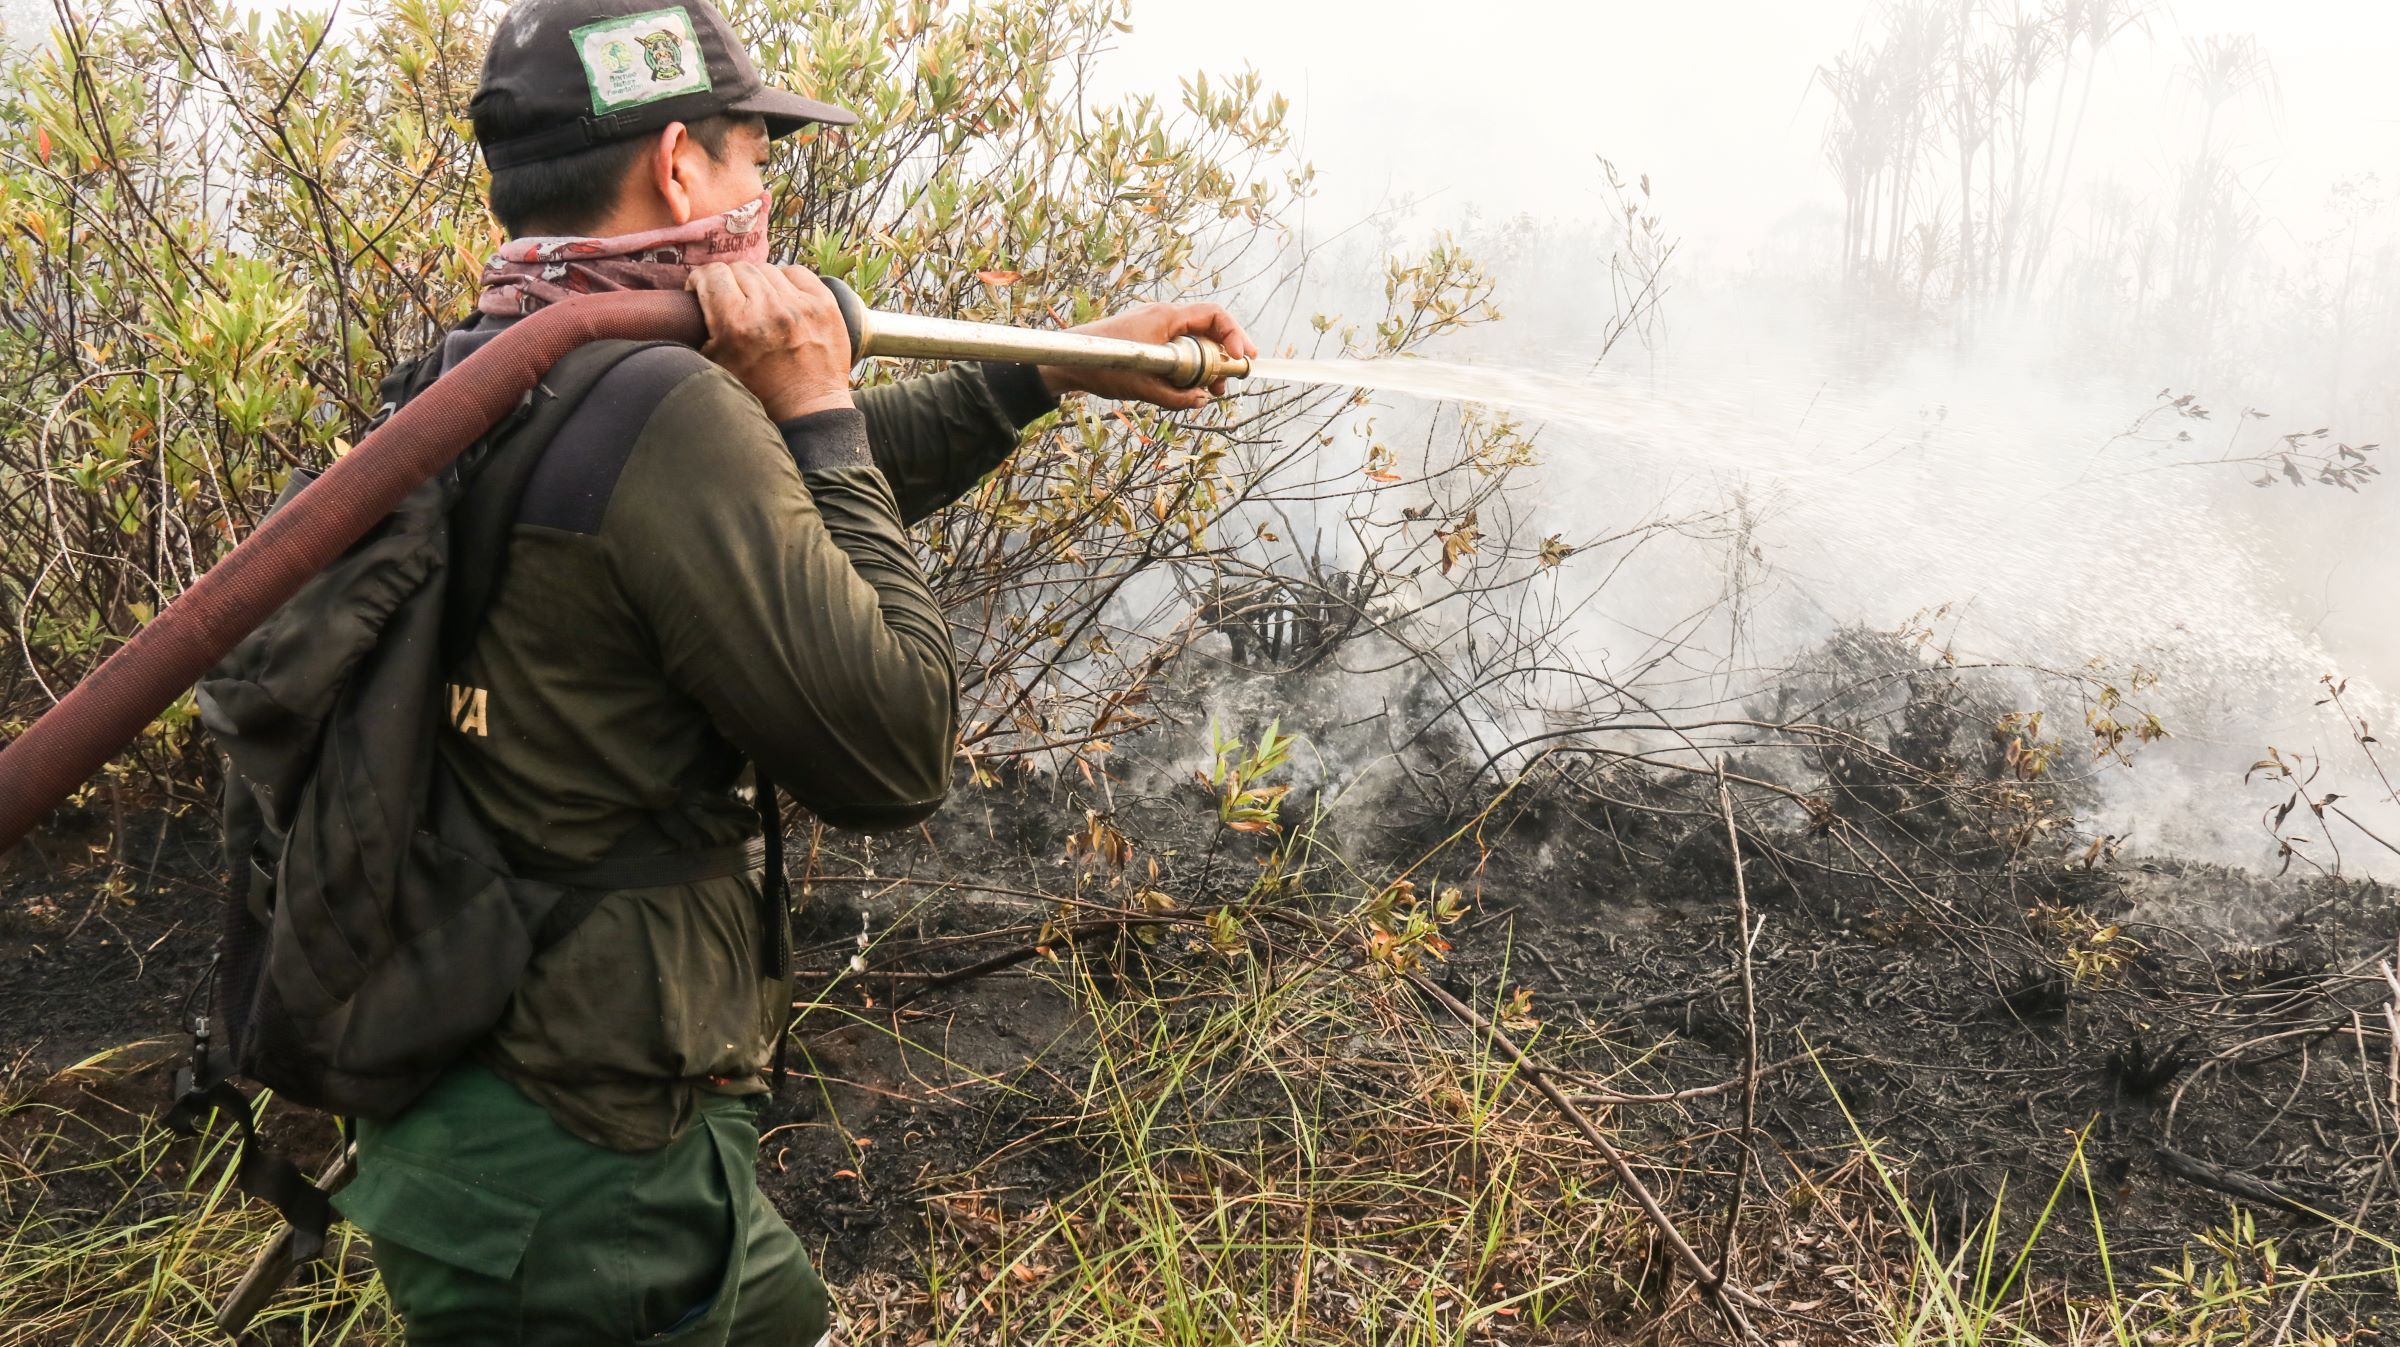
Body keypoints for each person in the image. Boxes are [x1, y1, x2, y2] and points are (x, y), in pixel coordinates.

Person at [328, 1, 1256, 1341]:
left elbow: (746, 516)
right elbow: (892, 755)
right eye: (757, 154)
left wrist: (1041, 374)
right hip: (585, 1178)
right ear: (680, 166)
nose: (765, 190)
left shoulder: (505, 365)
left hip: (480, 1099)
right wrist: (811, 404)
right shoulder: (658, 404)